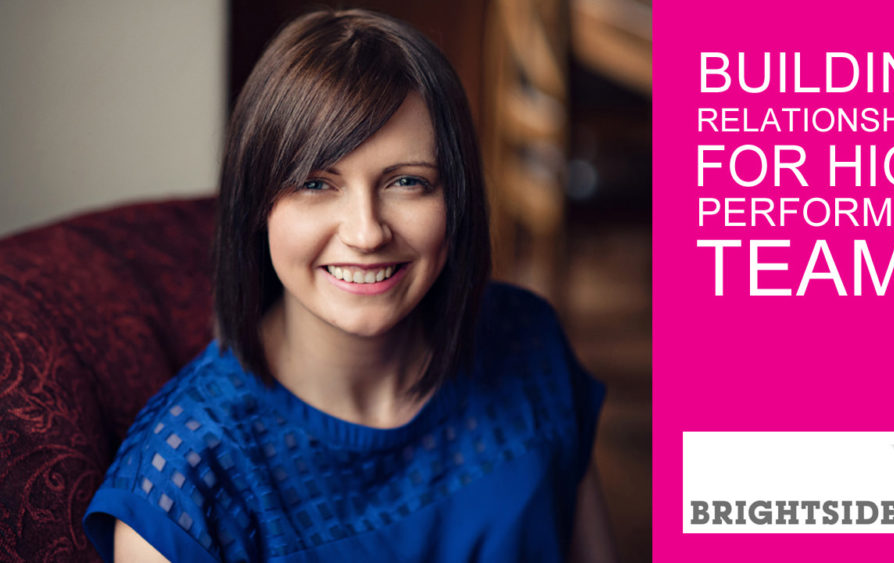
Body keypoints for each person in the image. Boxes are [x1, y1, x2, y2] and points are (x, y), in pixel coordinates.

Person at [83, 8, 614, 562]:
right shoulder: (183, 485)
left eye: (408, 182)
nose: (366, 232)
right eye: (316, 183)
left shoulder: (529, 341)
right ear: (257, 206)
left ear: (455, 199)